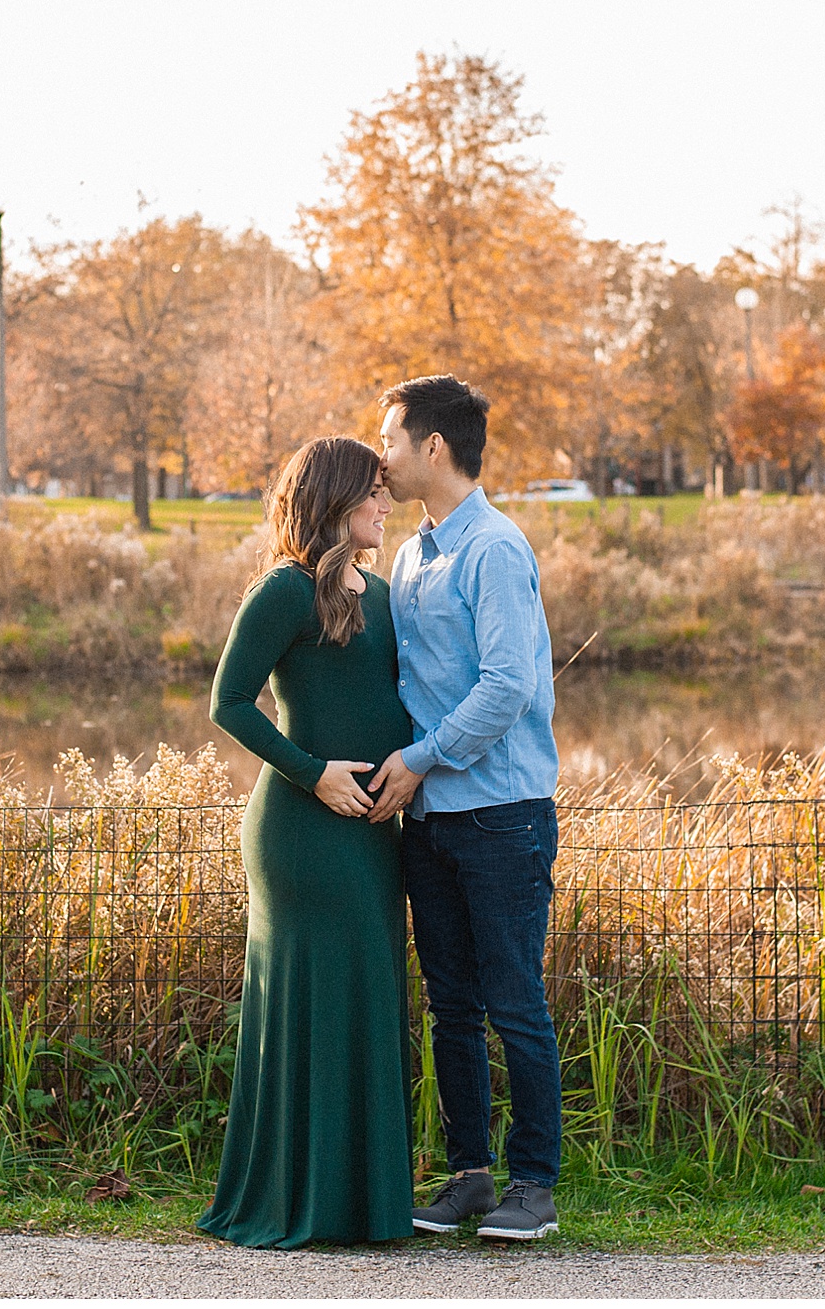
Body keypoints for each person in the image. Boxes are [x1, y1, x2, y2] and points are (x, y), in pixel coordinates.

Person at [196, 436, 418, 1249]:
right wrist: (312, 771)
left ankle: (366, 1204)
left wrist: (415, 768)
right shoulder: (284, 592)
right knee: (312, 1001)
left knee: (366, 994)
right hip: (300, 830)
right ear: (334, 498)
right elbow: (230, 702)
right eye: (373, 493)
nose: (385, 506)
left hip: (372, 831)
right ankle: (299, 1198)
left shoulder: (388, 596)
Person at [365, 375, 564, 1243]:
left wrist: (417, 759)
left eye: (391, 440)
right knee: (451, 1007)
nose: (383, 455)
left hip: (501, 815)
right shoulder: (411, 553)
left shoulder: (494, 549)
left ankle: (535, 1186)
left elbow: (507, 686)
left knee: (516, 1001)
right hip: (430, 819)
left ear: (433, 446)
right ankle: (470, 1178)